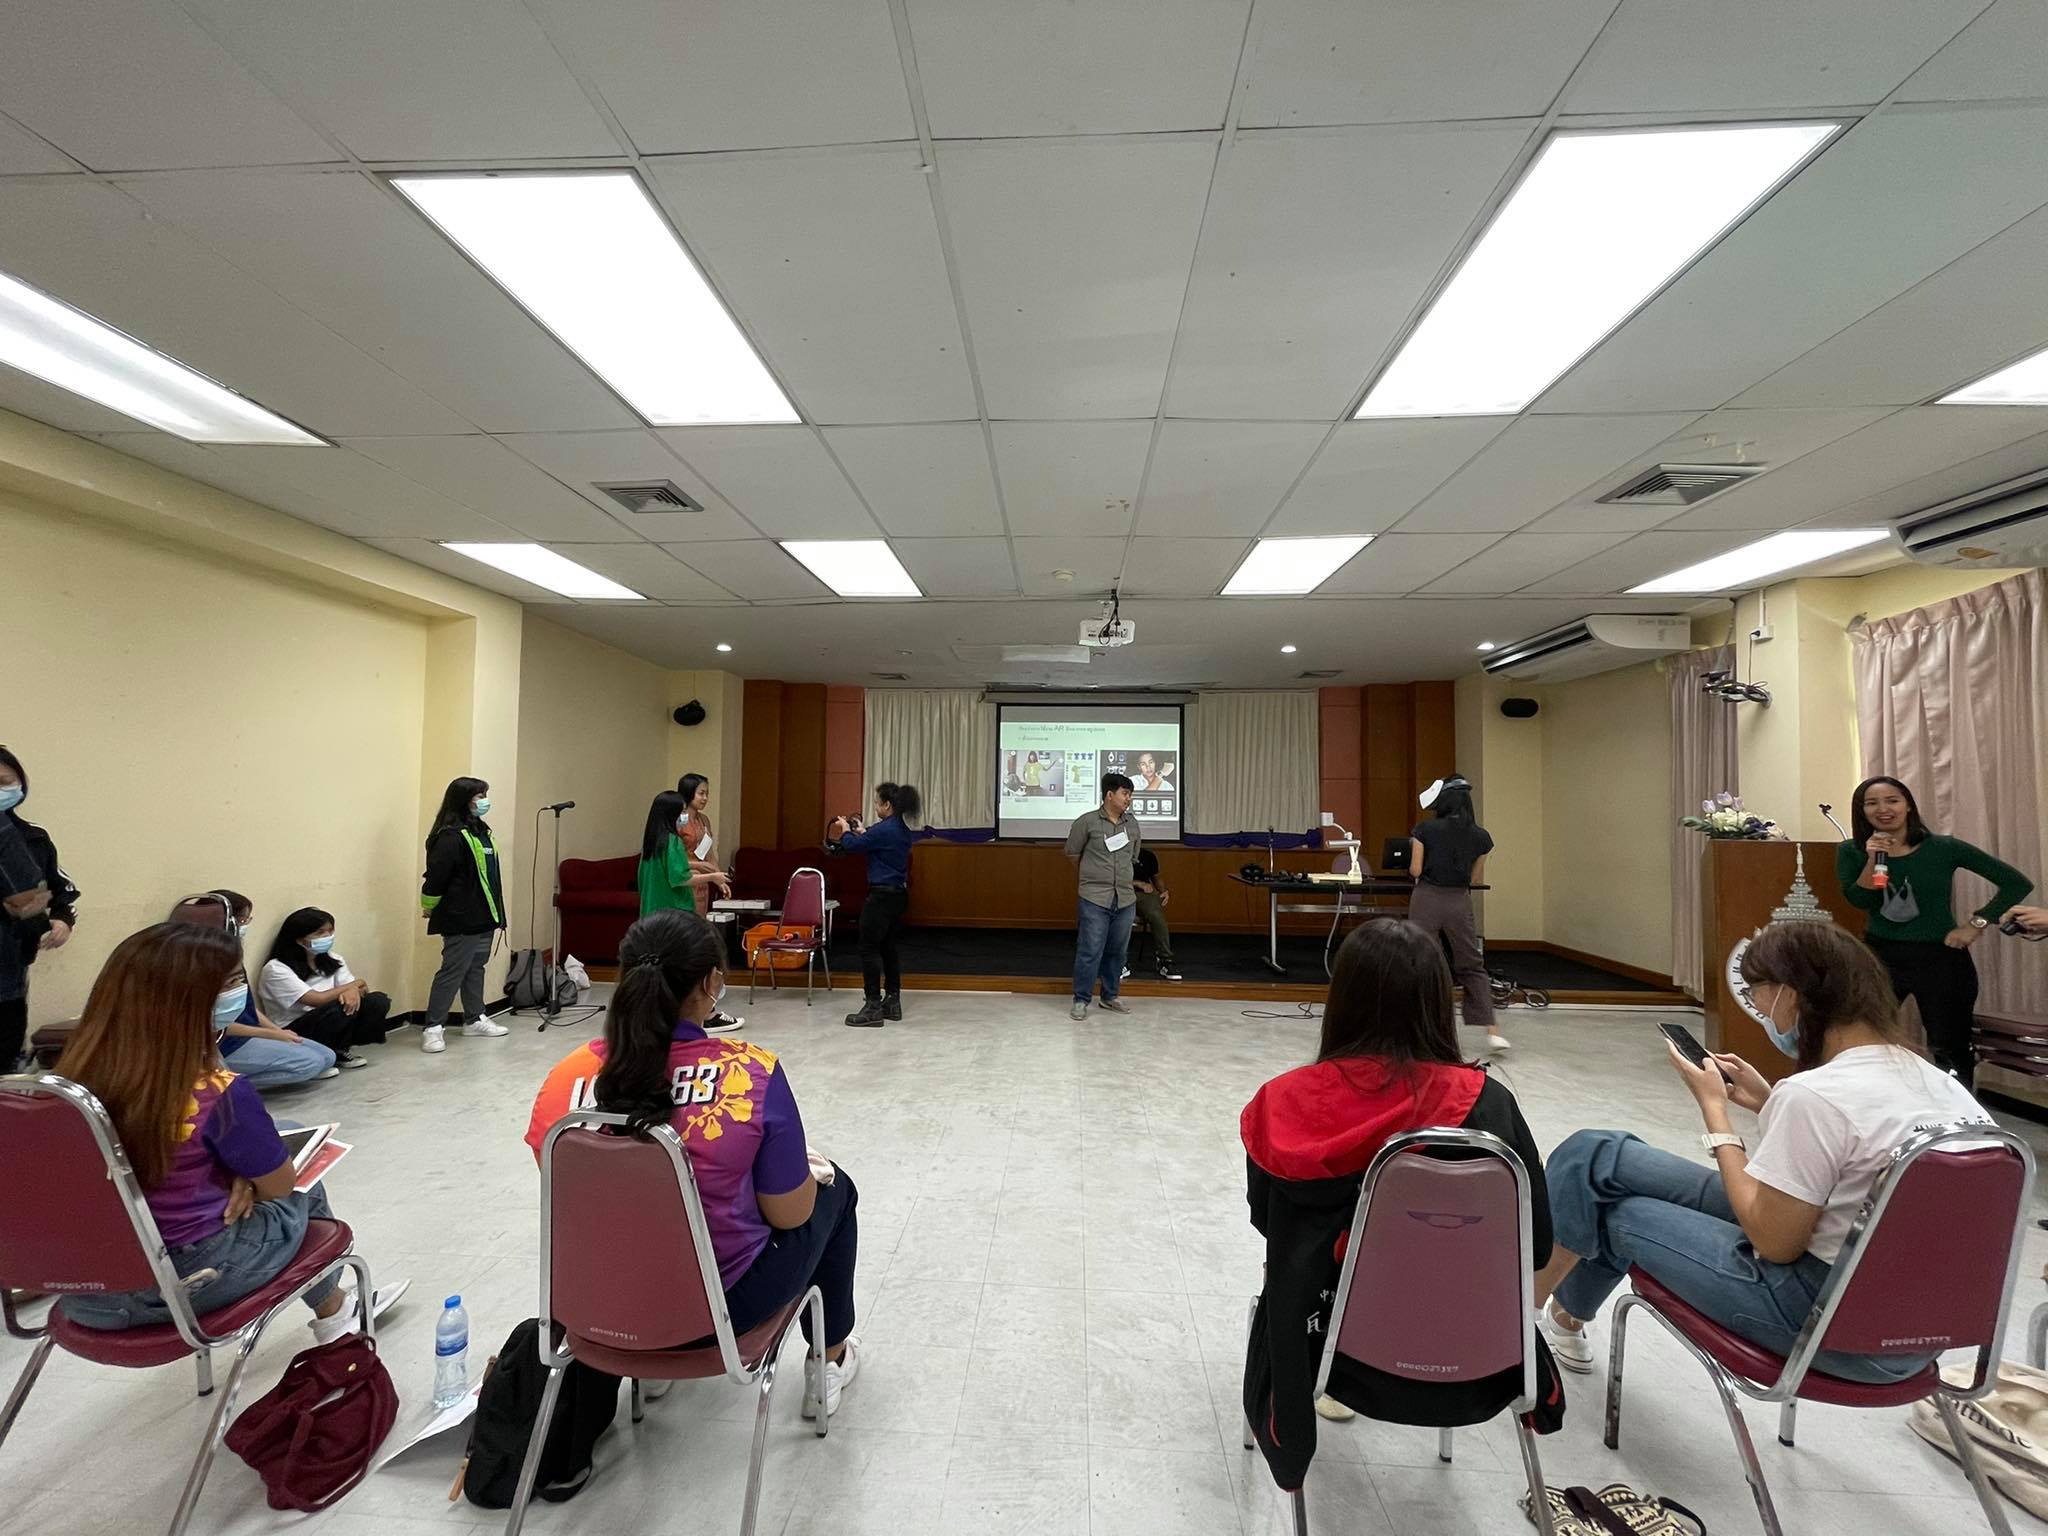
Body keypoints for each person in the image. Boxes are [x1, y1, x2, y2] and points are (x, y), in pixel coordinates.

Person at [1536, 921, 1991, 1381]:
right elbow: (1857, 1153)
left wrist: (1715, 1111)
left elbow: (1775, 1243)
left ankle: (1531, 1322)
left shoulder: (1816, 1095)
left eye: (1756, 993)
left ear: (1788, 995)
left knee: (1620, 1212)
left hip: (1824, 1324)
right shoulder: (1940, 1085)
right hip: (1915, 1328)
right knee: (1598, 1153)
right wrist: (1770, 1102)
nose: (1756, 1007)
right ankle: (1550, 1313)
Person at [1240, 920, 1556, 1481]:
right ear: (1436, 1003)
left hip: (1326, 1351)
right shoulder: (1490, 1106)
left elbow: (1267, 1221)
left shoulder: (1283, 1104)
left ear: (1342, 1000)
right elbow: (1537, 1246)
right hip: (1477, 1354)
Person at [525, 910, 862, 1418]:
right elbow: (790, 1215)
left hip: (595, 1305)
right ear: (710, 983)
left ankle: (650, 1367)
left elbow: (594, 1205)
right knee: (836, 1190)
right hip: (714, 1316)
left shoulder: (563, 1079)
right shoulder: (749, 1076)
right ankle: (829, 1361)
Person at [53, 921, 407, 1336]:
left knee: (285, 1129)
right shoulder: (217, 1090)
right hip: (187, 1283)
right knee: (301, 1176)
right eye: (233, 983)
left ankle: (334, 1306)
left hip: (83, 1291)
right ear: (189, 1001)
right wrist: (251, 1181)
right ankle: (335, 1311)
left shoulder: (64, 1086)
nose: (240, 992)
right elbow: (279, 1186)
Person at [1833, 775, 2032, 1087]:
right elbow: (1860, 900)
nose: (1883, 809)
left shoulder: (1943, 848)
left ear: (1908, 806)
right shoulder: (1851, 851)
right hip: (1879, 956)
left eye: (1892, 800)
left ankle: (1959, 1108)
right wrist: (1873, 859)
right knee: (1863, 1036)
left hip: (1941, 957)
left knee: (1950, 1045)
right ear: (1862, 811)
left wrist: (1977, 923)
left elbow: (2016, 883)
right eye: (1871, 803)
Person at [170, 892, 337, 1088]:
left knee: (327, 1056)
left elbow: (248, 1007)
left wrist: (277, 1031)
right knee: (312, 1064)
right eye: (242, 920)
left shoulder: (232, 957)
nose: (245, 925)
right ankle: (225, 1085)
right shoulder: (196, 968)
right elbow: (213, 1024)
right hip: (229, 1044)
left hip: (250, 1034)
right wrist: (270, 1035)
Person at [1406, 774, 1506, 1057]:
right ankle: (1493, 1031)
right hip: (1459, 901)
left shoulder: (1425, 829)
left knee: (1419, 959)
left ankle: (1420, 1027)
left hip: (1427, 898)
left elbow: (1415, 870)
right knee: (1471, 964)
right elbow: (1474, 878)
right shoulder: (1482, 837)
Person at [420, 776, 511, 1055]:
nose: (484, 800)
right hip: (460, 916)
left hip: (485, 914)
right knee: (453, 970)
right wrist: (429, 905)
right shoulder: (449, 836)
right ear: (463, 800)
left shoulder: (482, 832)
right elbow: (436, 877)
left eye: (485, 794)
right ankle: (433, 1027)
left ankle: (474, 1018)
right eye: (479, 795)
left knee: (476, 966)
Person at [0, 746, 77, 1071]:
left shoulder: (31, 838)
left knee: (6, 1053)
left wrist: (59, 919)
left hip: (10, 969)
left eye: (5, 781)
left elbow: (59, 891)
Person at [829, 783, 920, 1028]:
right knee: (889, 948)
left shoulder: (884, 830)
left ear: (887, 805)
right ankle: (892, 1001)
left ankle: (872, 1006)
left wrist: (846, 830)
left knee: (868, 948)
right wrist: (862, 831)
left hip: (880, 897)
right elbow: (874, 840)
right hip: (898, 896)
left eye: (878, 803)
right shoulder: (901, 829)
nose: (876, 807)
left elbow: (851, 846)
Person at [258, 908, 393, 1067]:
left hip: (328, 1017)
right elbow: (316, 999)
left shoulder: (333, 959)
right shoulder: (276, 968)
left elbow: (361, 990)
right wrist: (356, 984)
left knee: (377, 1001)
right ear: (299, 939)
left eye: (330, 931)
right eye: (320, 932)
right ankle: (317, 1057)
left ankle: (339, 1049)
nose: (327, 936)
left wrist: (353, 989)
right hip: (293, 1027)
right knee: (338, 1008)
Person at [1064, 773, 1140, 1022]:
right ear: (1109, 794)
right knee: (1090, 950)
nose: (1128, 799)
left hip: (1125, 897)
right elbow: (1073, 854)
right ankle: (1081, 999)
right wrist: (1093, 876)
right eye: (1125, 793)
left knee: (1117, 952)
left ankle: (1110, 996)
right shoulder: (1087, 822)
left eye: (1130, 795)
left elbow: (1133, 856)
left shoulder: (1132, 824)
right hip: (1094, 897)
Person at [676, 774, 746, 1032]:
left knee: (701, 937)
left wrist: (719, 878)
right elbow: (674, 859)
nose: (705, 798)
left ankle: (703, 1002)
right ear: (688, 793)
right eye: (700, 793)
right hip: (686, 881)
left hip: (704, 884)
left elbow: (709, 853)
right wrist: (702, 867)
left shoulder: (704, 820)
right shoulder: (679, 819)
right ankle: (698, 1006)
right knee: (691, 940)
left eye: (707, 793)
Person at [1130, 846, 1182, 982]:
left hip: (1144, 894)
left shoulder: (1147, 855)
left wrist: (1163, 890)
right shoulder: (1114, 852)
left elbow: (1156, 877)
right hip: (1120, 891)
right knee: (1120, 917)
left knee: (1156, 915)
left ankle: (1165, 960)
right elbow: (1109, 877)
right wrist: (1138, 883)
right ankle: (1118, 961)